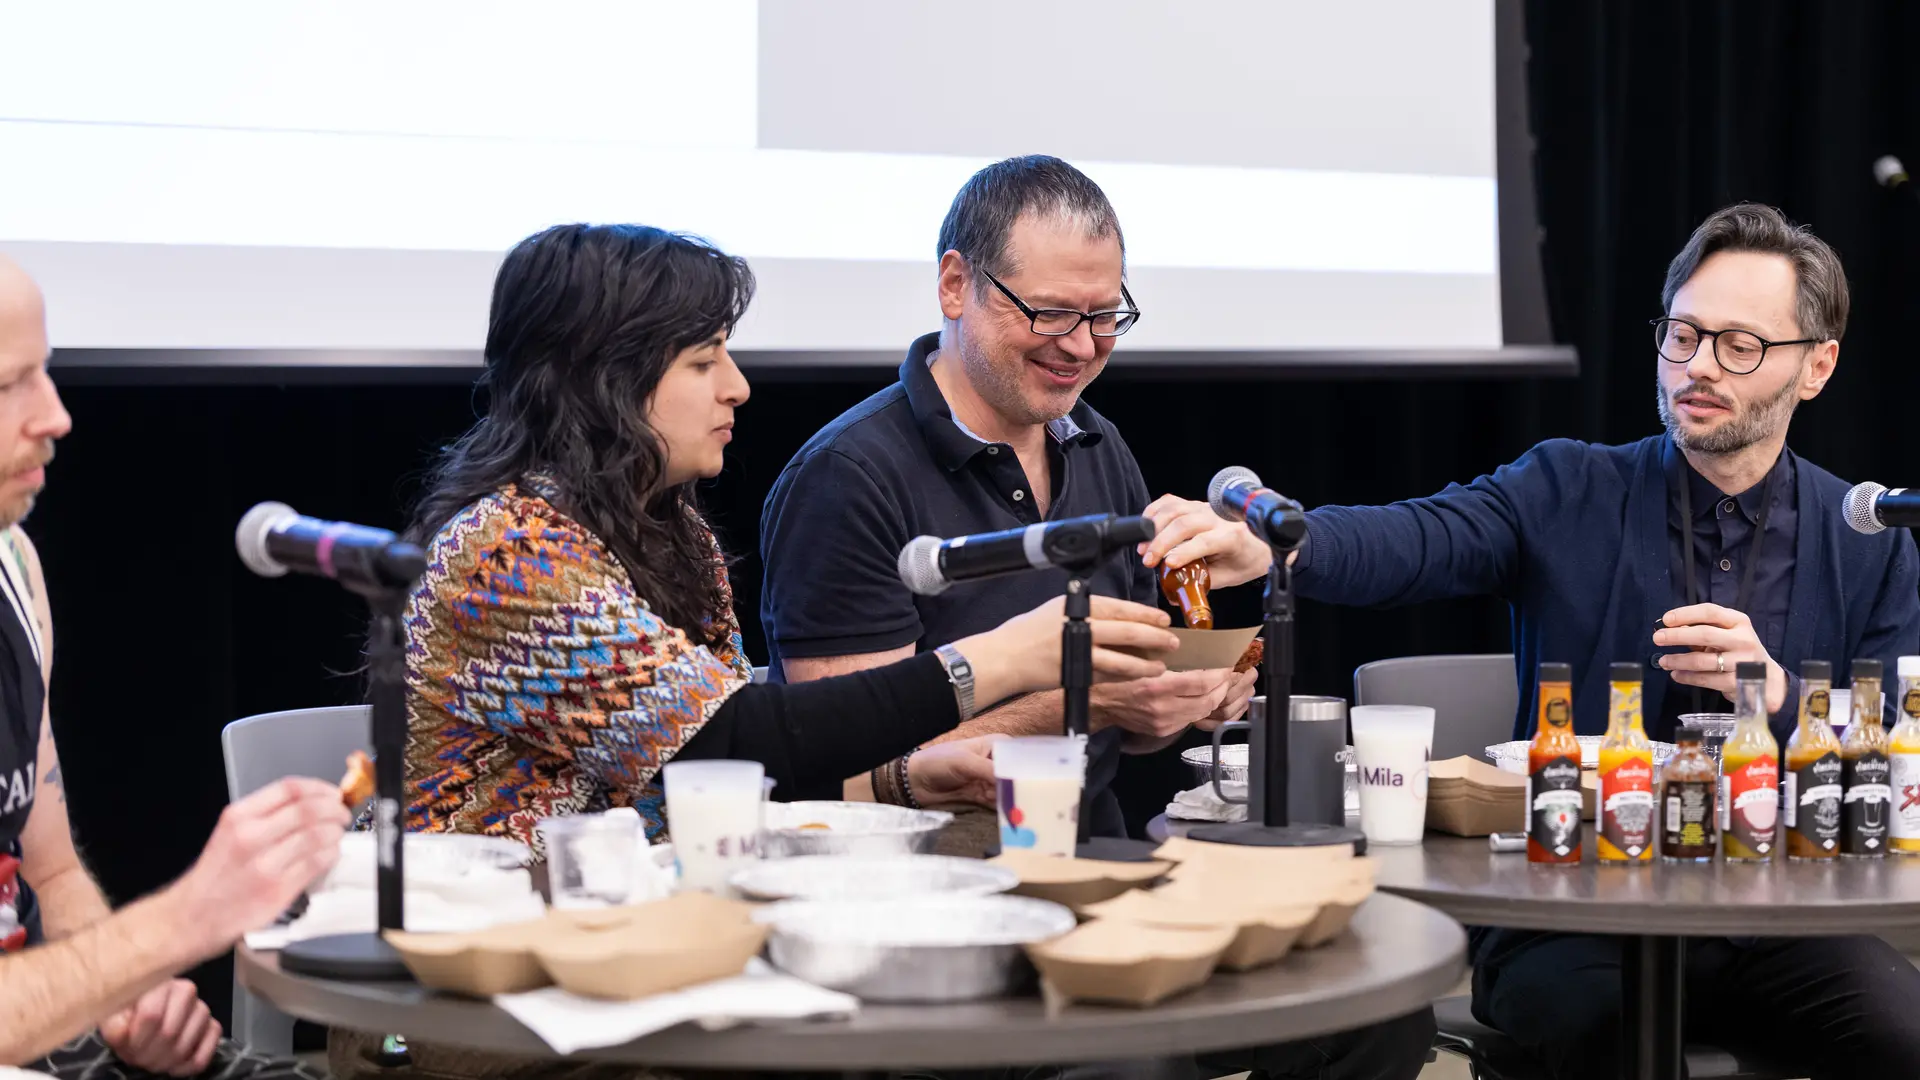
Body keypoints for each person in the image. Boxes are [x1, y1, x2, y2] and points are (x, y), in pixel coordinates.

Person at [1145, 203, 1920, 1077]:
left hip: (1773, 918)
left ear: (1816, 366)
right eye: (1682, 335)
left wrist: (1780, 698)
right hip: (1569, 911)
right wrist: (1282, 542)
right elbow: (1415, 537)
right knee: (1605, 1039)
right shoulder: (1568, 487)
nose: (1697, 367)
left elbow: (1897, 759)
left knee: (1905, 1036)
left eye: (1739, 346)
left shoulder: (1869, 536)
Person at [760, 156, 1434, 1080]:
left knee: (1373, 999)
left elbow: (1130, 687)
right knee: (1129, 1068)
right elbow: (844, 767)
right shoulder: (851, 478)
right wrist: (1095, 699)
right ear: (956, 285)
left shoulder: (1092, 440)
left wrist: (1196, 688)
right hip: (935, 893)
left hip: (1096, 861)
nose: (1079, 346)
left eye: (1105, 315)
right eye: (1048, 314)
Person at [397, 222, 1176, 850]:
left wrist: (904, 781)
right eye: (705, 361)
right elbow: (728, 738)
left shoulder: (672, 532)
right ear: (605, 380)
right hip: (483, 969)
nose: (737, 385)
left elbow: (741, 772)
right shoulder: (504, 554)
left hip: (631, 933)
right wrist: (1003, 658)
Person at [0, 256, 347, 1077]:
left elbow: (48, 867)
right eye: (10, 384)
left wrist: (123, 999)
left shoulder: (14, 564)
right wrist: (187, 917)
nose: (56, 415)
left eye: (44, 372)